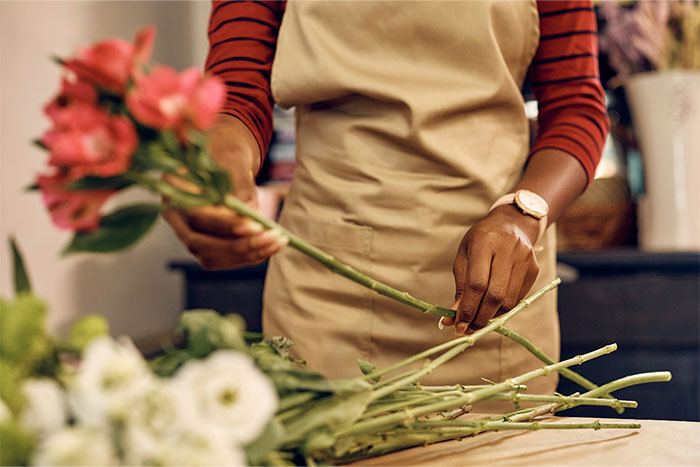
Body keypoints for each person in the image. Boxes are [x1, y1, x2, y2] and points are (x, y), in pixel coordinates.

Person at [163, 0, 609, 393]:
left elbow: (576, 107)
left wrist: (523, 215)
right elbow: (237, 95)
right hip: (328, 293)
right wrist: (214, 168)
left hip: (494, 293)